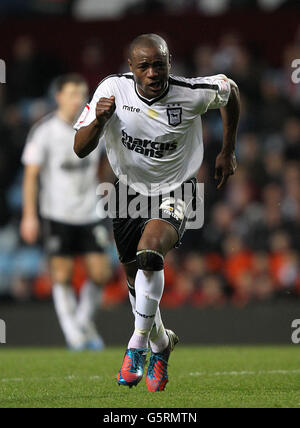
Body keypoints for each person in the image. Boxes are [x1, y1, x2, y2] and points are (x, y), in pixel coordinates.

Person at [74, 34, 240, 391]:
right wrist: (99, 122)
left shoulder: (192, 92)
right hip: (127, 190)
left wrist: (228, 149)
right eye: (144, 66)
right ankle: (161, 345)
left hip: (179, 187)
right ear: (131, 68)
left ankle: (136, 347)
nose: (153, 72)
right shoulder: (112, 90)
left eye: (159, 64)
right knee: (136, 282)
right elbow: (80, 149)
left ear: (170, 63)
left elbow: (232, 92)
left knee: (150, 254)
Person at [20, 74, 112, 350]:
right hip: (57, 213)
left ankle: (82, 323)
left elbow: (107, 162)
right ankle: (74, 335)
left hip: (90, 211)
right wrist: (29, 215)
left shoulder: (95, 126)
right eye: (72, 94)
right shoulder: (44, 131)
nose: (78, 99)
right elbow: (31, 175)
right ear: (58, 96)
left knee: (100, 273)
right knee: (62, 274)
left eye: (82, 93)